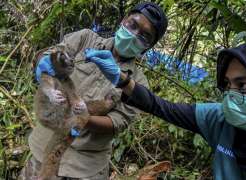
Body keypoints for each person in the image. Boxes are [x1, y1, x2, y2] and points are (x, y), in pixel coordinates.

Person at [86, 38, 246, 180]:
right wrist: (122, 79)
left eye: (242, 86)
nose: (231, 95)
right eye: (227, 84)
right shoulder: (219, 118)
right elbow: (162, 107)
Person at [19, 2, 168, 180]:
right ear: (123, 21)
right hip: (44, 147)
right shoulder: (86, 39)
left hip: (85, 166)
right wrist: (46, 61)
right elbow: (53, 52)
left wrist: (83, 119)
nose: (134, 35)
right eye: (133, 25)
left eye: (144, 36)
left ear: (148, 46)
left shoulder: (138, 83)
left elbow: (117, 122)